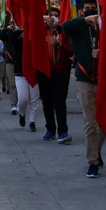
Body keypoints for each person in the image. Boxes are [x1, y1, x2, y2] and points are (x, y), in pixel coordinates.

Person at [61, 0, 104, 178]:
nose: (90, 11)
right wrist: (84, 20)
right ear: (81, 11)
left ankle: (96, 149)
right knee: (90, 123)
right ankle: (92, 161)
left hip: (103, 79)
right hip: (84, 78)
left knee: (103, 126)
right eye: (86, 9)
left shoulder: (105, 27)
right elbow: (65, 27)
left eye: (93, 9)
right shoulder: (77, 27)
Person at [37, 15, 72, 143]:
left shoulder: (65, 32)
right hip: (44, 72)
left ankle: (63, 131)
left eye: (56, 15)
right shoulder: (41, 31)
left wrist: (59, 45)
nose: (53, 18)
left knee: (60, 102)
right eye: (51, 16)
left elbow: (71, 52)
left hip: (61, 72)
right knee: (47, 102)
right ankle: (50, 129)